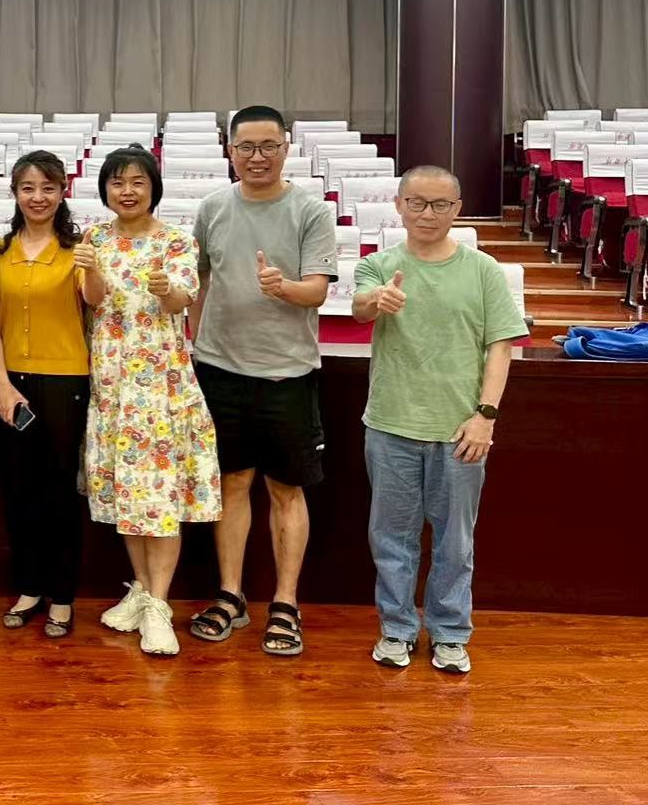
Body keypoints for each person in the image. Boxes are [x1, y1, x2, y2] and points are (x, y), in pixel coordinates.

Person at [352, 166, 527, 674]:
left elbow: (500, 347)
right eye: (417, 203)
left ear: (458, 209)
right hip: (390, 426)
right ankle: (396, 628)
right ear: (399, 205)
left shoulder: (484, 270)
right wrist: (377, 300)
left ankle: (450, 632)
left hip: (461, 431)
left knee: (456, 540)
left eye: (440, 205)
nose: (428, 214)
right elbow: (361, 307)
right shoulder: (378, 265)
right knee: (391, 539)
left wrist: (485, 416)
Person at [187, 105, 337, 657]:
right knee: (230, 484)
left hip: (286, 373)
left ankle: (285, 602)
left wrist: (283, 288)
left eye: (268, 146)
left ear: (286, 147)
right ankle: (230, 596)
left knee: (285, 490)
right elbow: (199, 281)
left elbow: (317, 291)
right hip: (219, 369)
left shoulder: (310, 210)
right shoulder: (212, 208)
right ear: (229, 150)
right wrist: (195, 339)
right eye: (246, 146)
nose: (257, 157)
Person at [82, 145, 221, 657]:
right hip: (112, 384)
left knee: (158, 497)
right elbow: (93, 299)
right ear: (105, 189)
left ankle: (160, 605)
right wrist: (90, 269)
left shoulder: (176, 241)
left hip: (160, 387)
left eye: (137, 182)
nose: (127, 191)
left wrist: (165, 288)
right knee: (129, 494)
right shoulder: (95, 238)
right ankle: (141, 590)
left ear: (153, 188)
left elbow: (181, 300)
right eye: (117, 182)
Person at [0, 150, 90, 639]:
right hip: (12, 385)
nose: (38, 197)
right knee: (18, 489)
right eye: (28, 188)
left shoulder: (78, 250)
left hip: (66, 381)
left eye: (48, 187)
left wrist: (93, 268)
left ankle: (62, 596)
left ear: (63, 192)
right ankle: (29, 588)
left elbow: (94, 301)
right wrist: (2, 384)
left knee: (60, 492)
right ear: (14, 193)